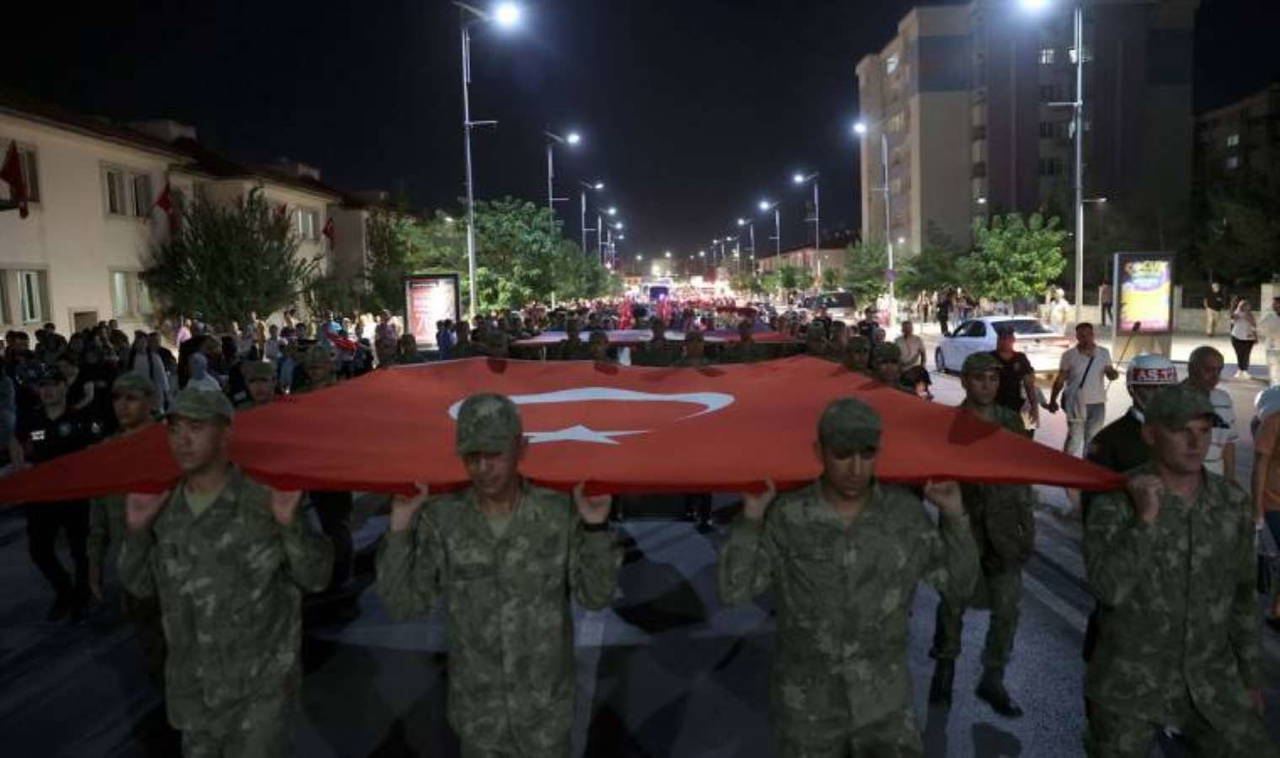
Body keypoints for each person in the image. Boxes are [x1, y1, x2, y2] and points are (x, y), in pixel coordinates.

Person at [718, 397, 976, 757]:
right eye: (842, 454)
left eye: (866, 454)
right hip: (809, 712)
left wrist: (955, 517)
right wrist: (750, 520)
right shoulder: (790, 516)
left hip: (884, 711)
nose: (855, 468)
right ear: (819, 452)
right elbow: (734, 592)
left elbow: (960, 587)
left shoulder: (905, 516)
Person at [377, 393, 621, 756]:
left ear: (521, 448)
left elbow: (596, 597)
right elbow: (404, 606)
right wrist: (399, 529)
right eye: (472, 456)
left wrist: (595, 529)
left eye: (494, 454)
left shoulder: (556, 513)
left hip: (544, 715)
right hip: (480, 717)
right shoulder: (444, 519)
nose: (482, 468)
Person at [119, 388, 333, 756]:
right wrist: (137, 531)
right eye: (175, 429)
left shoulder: (265, 498)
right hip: (194, 694)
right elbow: (139, 586)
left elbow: (316, 577)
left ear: (225, 433)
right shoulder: (166, 507)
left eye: (196, 428)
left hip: (259, 694)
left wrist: (290, 523)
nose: (182, 441)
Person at [1082, 384, 1277, 757]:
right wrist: (1145, 521)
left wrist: (1250, 678)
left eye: (1204, 430)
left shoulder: (1230, 502)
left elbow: (1242, 595)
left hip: (1210, 677)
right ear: (1150, 434)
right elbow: (1108, 589)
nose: (1196, 442)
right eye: (1181, 430)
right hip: (1131, 681)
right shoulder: (1116, 502)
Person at [927, 354, 1035, 717]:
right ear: (964, 382)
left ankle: (993, 677)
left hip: (1004, 525)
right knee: (953, 602)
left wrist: (1026, 524)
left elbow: (1022, 472)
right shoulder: (949, 423)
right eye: (979, 378)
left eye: (992, 378)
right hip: (965, 525)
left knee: (1007, 608)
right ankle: (945, 668)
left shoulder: (1009, 421)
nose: (987, 385)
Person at [9, 363, 106, 621]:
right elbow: (15, 440)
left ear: (64, 387)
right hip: (43, 496)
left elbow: (98, 450)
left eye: (53, 384)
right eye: (43, 386)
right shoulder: (32, 418)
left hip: (75, 496)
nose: (47, 390)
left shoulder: (80, 417)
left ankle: (83, 596)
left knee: (80, 550)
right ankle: (64, 590)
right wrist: (20, 468)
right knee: (39, 549)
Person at [1048, 323, 1119, 457]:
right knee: (1075, 437)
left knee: (1092, 438)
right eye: (1081, 335)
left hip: (1097, 402)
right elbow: (1060, 380)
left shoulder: (1103, 352)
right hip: (1075, 402)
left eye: (1088, 335)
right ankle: (1065, 463)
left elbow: (1109, 371)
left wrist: (1113, 374)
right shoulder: (1069, 355)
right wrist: (1052, 400)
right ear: (1077, 337)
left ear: (1093, 335)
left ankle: (1087, 464)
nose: (1085, 338)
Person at [1182, 346, 1237, 480]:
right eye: (1208, 370)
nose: (1215, 377)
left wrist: (1229, 480)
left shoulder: (1224, 400)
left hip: (1215, 480)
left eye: (1219, 370)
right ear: (1191, 368)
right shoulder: (1171, 399)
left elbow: (1229, 443)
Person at [1254, 386, 1280, 627]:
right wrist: (1257, 508)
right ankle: (1275, 611)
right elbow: (1259, 465)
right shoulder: (1274, 421)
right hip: (1274, 501)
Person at [990, 327, 1038, 437]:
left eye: (1006, 338)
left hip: (1016, 405)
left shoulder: (1020, 358)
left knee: (1022, 435)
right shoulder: (989, 358)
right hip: (994, 406)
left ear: (1013, 340)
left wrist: (1034, 407)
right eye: (1000, 338)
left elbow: (1029, 385)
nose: (1003, 342)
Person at [1229, 298, 1258, 380]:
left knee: (1246, 355)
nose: (1245, 307)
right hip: (1236, 337)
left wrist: (1255, 337)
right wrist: (1233, 308)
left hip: (1248, 339)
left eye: (1246, 305)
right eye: (1242, 305)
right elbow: (1233, 319)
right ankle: (1240, 370)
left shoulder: (1250, 315)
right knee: (1239, 354)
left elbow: (1254, 326)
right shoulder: (1237, 313)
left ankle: (1244, 370)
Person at [1260, 294, 1280, 386]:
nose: (1274, 305)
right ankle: (1274, 387)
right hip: (1272, 347)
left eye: (1276, 303)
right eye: (1274, 303)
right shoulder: (1269, 316)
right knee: (1273, 369)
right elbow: (1261, 328)